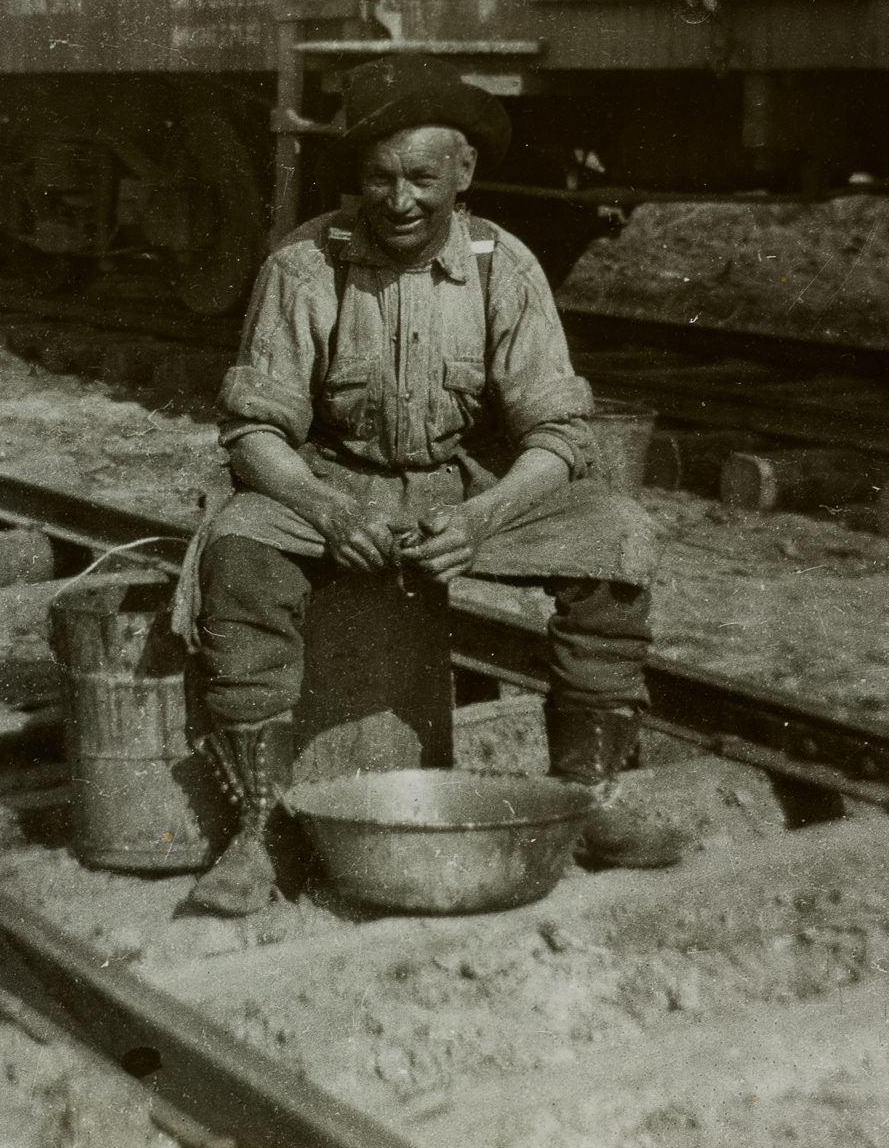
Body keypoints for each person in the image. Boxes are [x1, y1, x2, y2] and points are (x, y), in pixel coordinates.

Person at [173, 55, 685, 915]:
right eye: (378, 177)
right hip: (334, 486)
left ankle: (591, 796)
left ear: (462, 173)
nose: (399, 199)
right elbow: (254, 433)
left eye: (420, 176)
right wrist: (325, 508)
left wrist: (482, 518)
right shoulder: (304, 265)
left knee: (617, 535)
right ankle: (258, 829)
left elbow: (558, 437)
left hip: (462, 491)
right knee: (237, 553)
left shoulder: (503, 266)